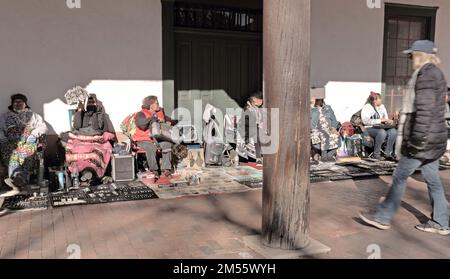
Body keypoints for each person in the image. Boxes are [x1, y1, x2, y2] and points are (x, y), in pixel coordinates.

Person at [360, 40, 450, 235]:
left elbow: (424, 112)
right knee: (433, 179)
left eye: (412, 55)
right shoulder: (437, 74)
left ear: (420, 56)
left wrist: (415, 141)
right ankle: (441, 223)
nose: (410, 59)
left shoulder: (426, 75)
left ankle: (382, 217)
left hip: (422, 141)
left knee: (400, 176)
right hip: (434, 140)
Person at [0, 94, 48, 197]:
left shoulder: (34, 116)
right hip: (11, 143)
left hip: (28, 141)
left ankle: (18, 178)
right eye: (16, 102)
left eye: (20, 102)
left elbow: (43, 127)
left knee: (27, 153)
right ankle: (18, 177)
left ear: (25, 104)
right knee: (12, 154)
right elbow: (0, 130)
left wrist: (33, 134)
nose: (18, 104)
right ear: (12, 104)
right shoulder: (5, 117)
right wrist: (3, 139)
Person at [133, 96, 173, 178]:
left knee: (167, 145)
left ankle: (166, 169)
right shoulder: (141, 114)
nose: (158, 105)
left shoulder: (159, 112)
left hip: (156, 139)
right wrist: (152, 118)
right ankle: (154, 170)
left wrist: (170, 122)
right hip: (143, 139)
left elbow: (168, 120)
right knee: (151, 147)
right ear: (150, 105)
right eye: (156, 103)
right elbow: (141, 125)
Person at [361, 92, 397, 160]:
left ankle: (388, 153)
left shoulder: (382, 106)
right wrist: (380, 120)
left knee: (393, 131)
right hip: (370, 128)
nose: (381, 100)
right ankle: (376, 153)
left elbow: (385, 117)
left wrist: (388, 121)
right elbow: (365, 121)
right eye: (379, 99)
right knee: (382, 132)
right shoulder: (367, 107)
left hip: (381, 126)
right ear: (375, 100)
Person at [237, 91, 264, 165]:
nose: (262, 101)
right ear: (254, 99)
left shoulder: (258, 109)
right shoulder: (248, 109)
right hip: (246, 128)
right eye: (260, 99)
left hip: (254, 128)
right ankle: (258, 158)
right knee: (258, 134)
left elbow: (260, 120)